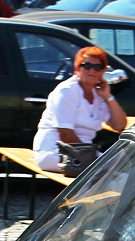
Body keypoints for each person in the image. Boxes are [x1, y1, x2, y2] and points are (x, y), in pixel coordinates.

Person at [33, 45, 126, 173]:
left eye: (97, 67)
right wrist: (90, 159)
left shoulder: (98, 94)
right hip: (55, 152)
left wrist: (108, 97)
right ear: (77, 69)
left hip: (84, 153)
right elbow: (65, 134)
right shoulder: (66, 91)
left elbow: (119, 125)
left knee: (126, 166)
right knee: (114, 174)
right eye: (86, 65)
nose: (91, 70)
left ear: (102, 72)